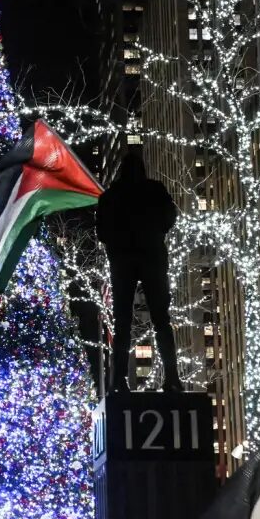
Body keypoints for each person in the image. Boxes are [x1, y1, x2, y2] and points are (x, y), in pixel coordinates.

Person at [96, 149, 183, 393]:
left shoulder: (111, 196)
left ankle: (118, 381)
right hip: (152, 257)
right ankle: (172, 378)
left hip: (123, 262)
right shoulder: (154, 190)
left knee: (122, 322)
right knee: (161, 320)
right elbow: (169, 217)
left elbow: (101, 232)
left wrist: (119, 242)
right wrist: (153, 234)